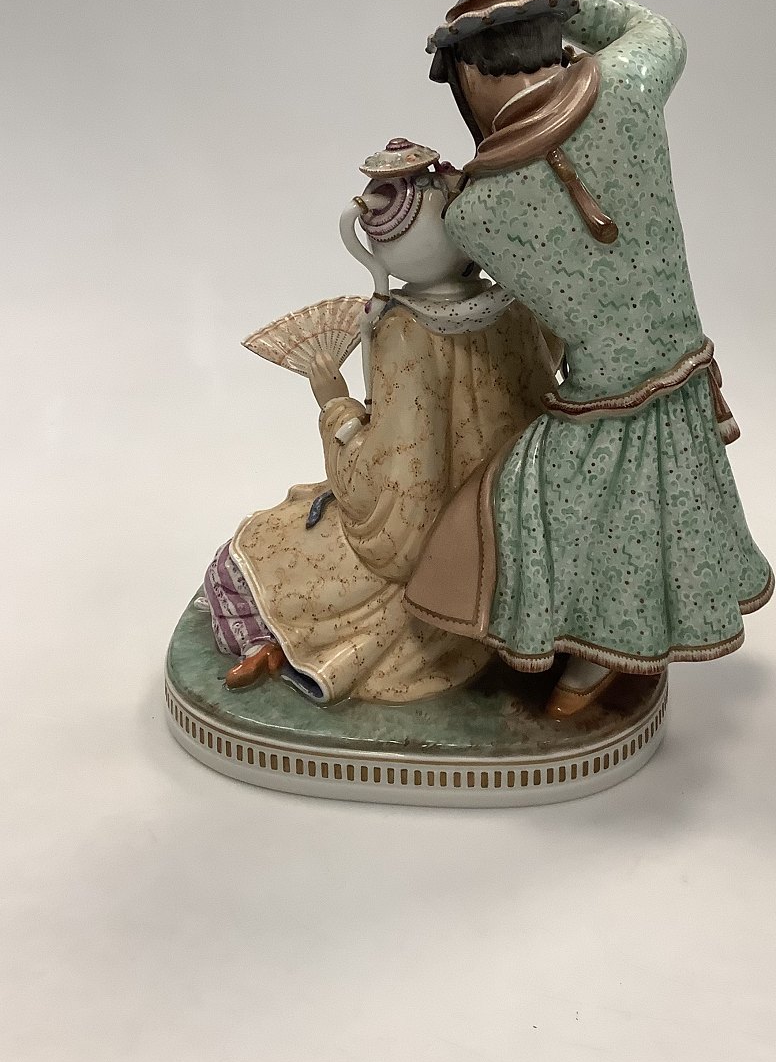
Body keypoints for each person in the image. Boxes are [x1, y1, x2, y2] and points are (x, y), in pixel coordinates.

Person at [405, 0, 773, 717]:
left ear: (468, 76)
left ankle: (585, 649)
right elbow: (658, 29)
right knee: (647, 510)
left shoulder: (475, 215)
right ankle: (611, 649)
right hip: (681, 367)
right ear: (555, 39)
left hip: (602, 394)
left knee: (520, 508)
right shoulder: (628, 86)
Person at [202, 143, 559, 704]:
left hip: (433, 558)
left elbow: (396, 505)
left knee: (240, 562)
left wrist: (336, 405)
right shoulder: (514, 309)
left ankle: (286, 649)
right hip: (511, 536)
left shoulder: (406, 331)